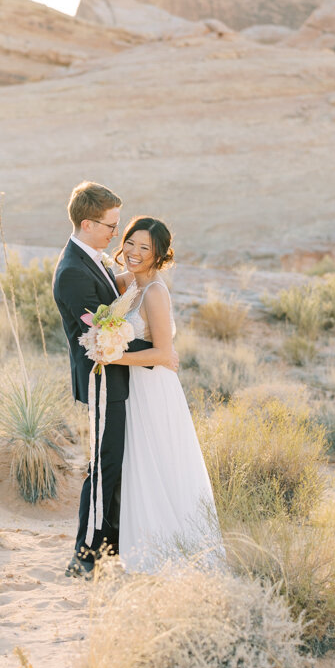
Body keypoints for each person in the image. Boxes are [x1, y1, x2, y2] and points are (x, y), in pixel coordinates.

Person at [51, 183, 177, 579]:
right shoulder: (73, 271)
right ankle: (84, 556)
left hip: (127, 382)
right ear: (88, 223)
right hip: (104, 380)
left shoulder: (96, 260)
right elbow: (103, 333)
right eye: (110, 225)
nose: (114, 233)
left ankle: (110, 545)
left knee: (120, 465)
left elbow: (123, 305)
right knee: (104, 468)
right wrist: (151, 348)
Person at [107, 216, 224, 573]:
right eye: (131, 243)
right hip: (131, 388)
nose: (134, 252)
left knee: (159, 462)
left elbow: (163, 354)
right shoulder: (123, 283)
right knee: (137, 464)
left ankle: (170, 550)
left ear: (159, 256)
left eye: (145, 248)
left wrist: (111, 355)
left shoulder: (155, 293)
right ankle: (137, 542)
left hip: (153, 389)